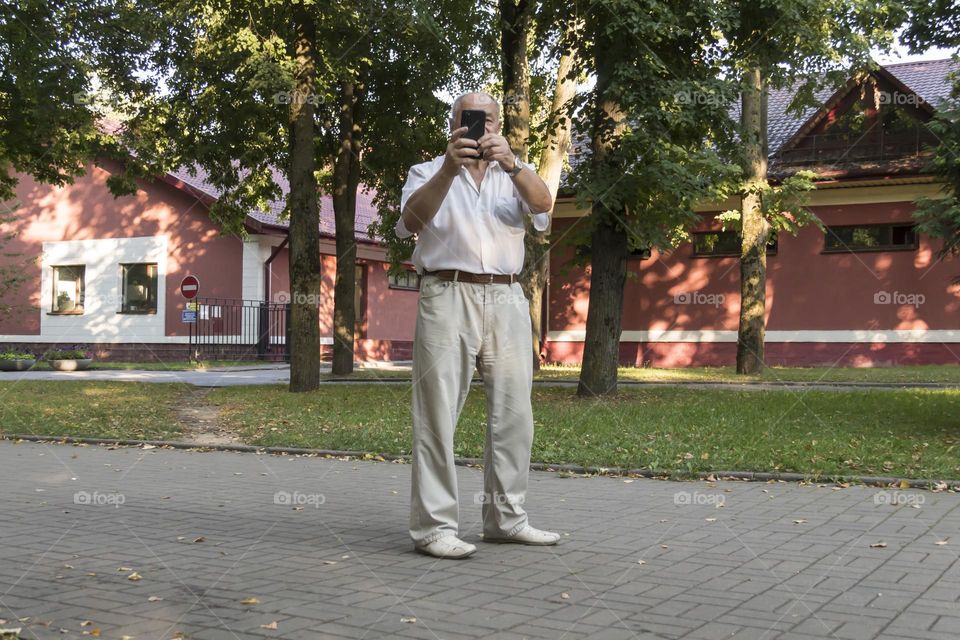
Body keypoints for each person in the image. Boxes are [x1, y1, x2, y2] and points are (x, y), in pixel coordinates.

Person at [395, 91, 559, 559]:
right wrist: (449, 169)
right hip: (447, 293)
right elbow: (409, 223)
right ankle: (434, 529)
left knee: (514, 414)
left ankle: (506, 520)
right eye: (471, 118)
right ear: (453, 123)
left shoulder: (515, 171)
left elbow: (545, 207)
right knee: (437, 414)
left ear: (499, 122)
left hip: (507, 295)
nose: (480, 126)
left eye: (488, 119)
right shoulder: (427, 171)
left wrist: (513, 164)